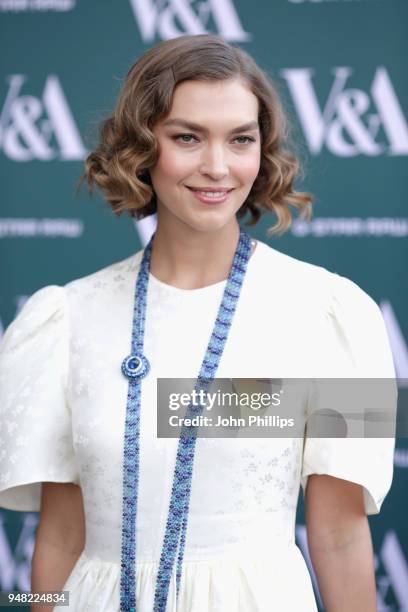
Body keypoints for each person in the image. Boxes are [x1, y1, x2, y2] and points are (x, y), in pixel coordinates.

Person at [0, 34, 396, 612]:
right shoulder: (63, 318)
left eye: (241, 139)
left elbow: (339, 534)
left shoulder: (333, 313)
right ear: (141, 148)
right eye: (187, 137)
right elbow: (60, 538)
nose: (217, 166)